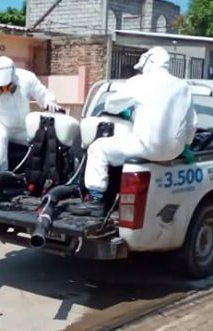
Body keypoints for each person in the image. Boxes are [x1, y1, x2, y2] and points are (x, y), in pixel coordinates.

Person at [82, 46, 196, 211]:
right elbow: (192, 123)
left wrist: (126, 110)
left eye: (142, 67)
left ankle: (95, 200)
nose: (142, 70)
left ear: (150, 62)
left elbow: (111, 105)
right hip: (174, 151)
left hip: (147, 147)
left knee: (97, 149)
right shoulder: (183, 86)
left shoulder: (139, 81)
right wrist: (186, 146)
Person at [0, 56, 62, 176]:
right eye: (1, 87)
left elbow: (42, 93)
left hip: (21, 129)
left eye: (8, 85)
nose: (5, 90)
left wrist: (49, 101)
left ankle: (37, 176)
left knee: (41, 139)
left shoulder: (27, 78)